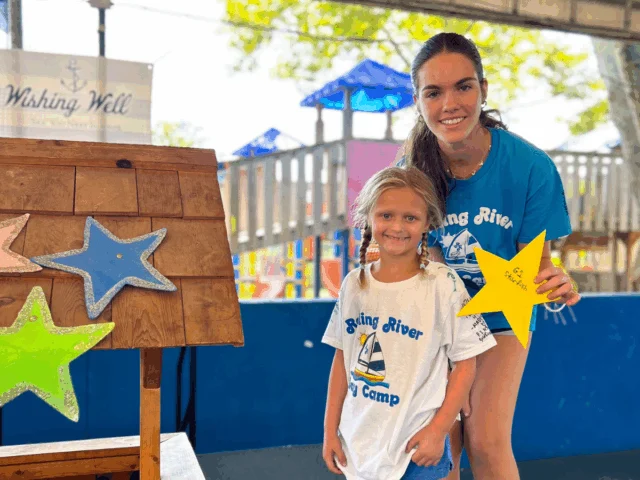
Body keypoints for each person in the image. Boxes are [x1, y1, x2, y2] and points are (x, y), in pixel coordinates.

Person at [393, 32, 582, 480]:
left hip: (502, 314)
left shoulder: (530, 167)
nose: (450, 103)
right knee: (441, 441)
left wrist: (557, 283)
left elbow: (538, 266)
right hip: (437, 317)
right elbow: (412, 266)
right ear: (417, 101)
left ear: (483, 89)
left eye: (463, 86)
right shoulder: (410, 175)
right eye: (433, 92)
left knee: (486, 439)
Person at [321, 166, 497, 480]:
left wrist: (438, 430)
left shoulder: (443, 283)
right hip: (360, 445)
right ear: (369, 217)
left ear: (428, 222)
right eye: (386, 215)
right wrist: (330, 431)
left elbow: (465, 365)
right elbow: (342, 361)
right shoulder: (353, 285)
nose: (397, 227)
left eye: (410, 218)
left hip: (418, 445)